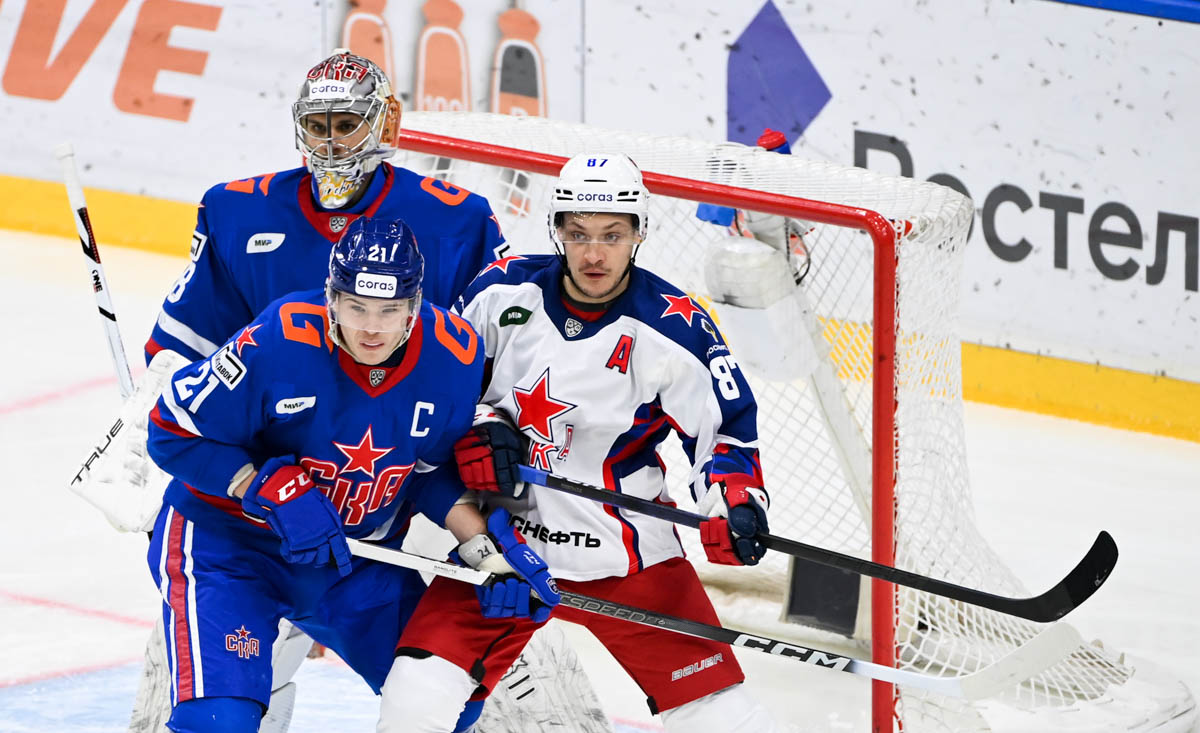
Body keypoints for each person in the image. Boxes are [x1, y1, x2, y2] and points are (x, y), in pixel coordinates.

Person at [378, 154, 781, 732]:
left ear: (639, 233)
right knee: (414, 694)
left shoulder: (675, 327)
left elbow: (727, 428)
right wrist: (482, 423)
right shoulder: (500, 292)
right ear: (557, 231)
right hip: (505, 548)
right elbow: (440, 391)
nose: (594, 254)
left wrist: (734, 502)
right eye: (579, 233)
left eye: (612, 235)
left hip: (628, 556)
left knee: (721, 715)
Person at [144, 217, 559, 732]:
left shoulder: (455, 356)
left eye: (390, 310)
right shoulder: (279, 339)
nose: (371, 328)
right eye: (356, 306)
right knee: (216, 723)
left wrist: (482, 549)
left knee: (442, 702)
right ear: (331, 298)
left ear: (414, 306)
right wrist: (263, 486)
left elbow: (426, 471)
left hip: (353, 559)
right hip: (231, 549)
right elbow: (169, 430)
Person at [146, 48, 505, 365]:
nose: (330, 144)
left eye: (347, 125)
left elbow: (495, 346)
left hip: (406, 412)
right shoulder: (236, 213)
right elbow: (186, 343)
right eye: (317, 126)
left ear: (384, 124)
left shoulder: (458, 221)